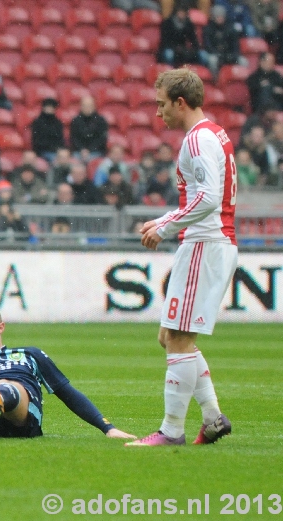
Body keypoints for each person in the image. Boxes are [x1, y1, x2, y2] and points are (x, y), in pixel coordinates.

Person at [128, 68, 237, 446]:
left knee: (177, 338)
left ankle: (172, 430)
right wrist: (164, 219)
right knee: (169, 336)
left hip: (205, 244)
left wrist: (165, 226)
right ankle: (213, 418)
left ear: (180, 101)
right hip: (208, 243)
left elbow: (207, 199)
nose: (158, 114)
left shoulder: (197, 140)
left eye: (161, 104)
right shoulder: (212, 133)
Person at [0, 300, 136, 439]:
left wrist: (107, 427)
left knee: (7, 385)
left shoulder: (28, 354)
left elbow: (67, 393)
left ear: (0, 327)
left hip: (20, 422)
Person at [69, 95, 109, 162]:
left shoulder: (101, 121)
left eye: (89, 105)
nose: (87, 108)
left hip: (96, 152)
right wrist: (82, 149)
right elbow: (73, 138)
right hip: (79, 152)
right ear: (81, 107)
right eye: (85, 105)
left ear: (94, 106)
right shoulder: (75, 121)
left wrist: (89, 150)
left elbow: (102, 139)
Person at [30, 98, 65, 163]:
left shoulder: (58, 123)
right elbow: (36, 141)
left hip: (56, 151)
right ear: (43, 108)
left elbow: (61, 139)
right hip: (43, 151)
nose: (50, 109)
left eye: (52, 107)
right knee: (56, 160)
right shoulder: (37, 122)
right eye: (48, 107)